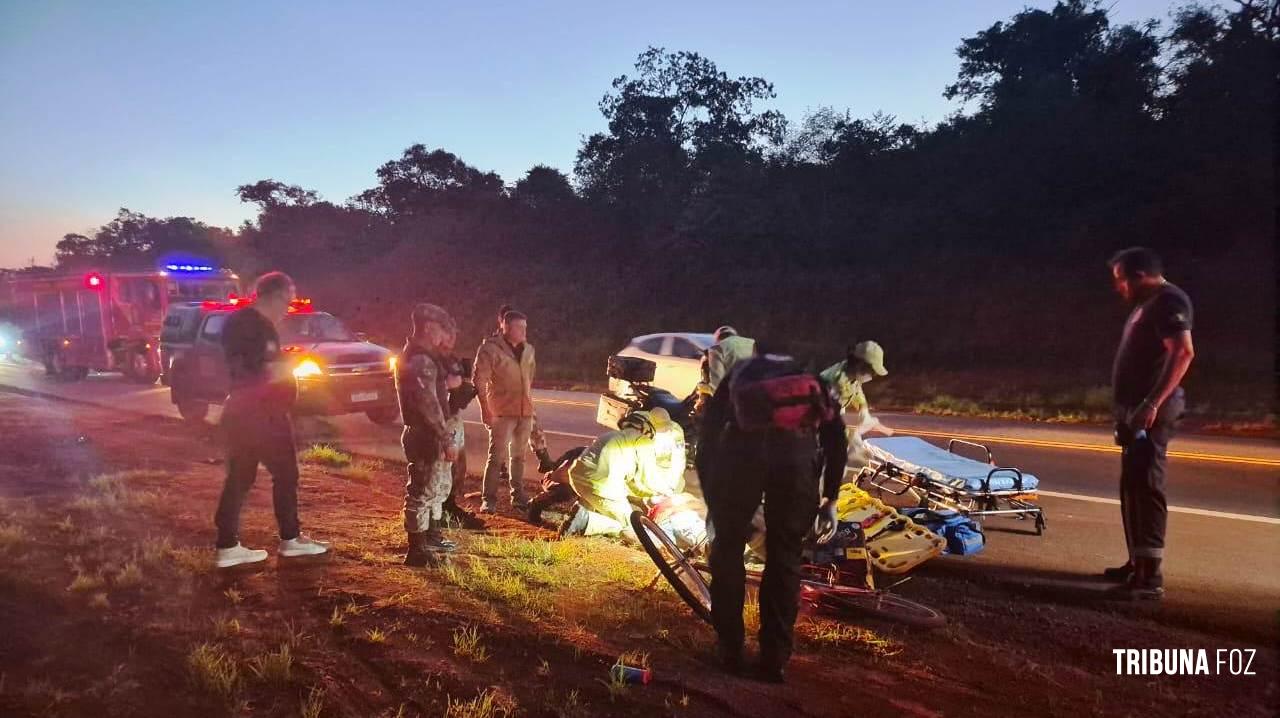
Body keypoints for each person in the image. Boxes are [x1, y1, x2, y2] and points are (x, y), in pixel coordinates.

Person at [699, 349, 847, 682]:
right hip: (797, 467)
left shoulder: (741, 371)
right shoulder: (811, 378)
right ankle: (774, 660)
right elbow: (837, 439)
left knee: (727, 552)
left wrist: (712, 494)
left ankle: (730, 649)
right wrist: (831, 499)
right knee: (785, 560)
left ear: (759, 353)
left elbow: (708, 434)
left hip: (741, 463)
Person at [213, 271, 328, 568]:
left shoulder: (249, 324)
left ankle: (228, 546)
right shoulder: (250, 325)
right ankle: (290, 540)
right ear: (275, 296)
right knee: (285, 474)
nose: (288, 308)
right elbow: (249, 368)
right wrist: (278, 370)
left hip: (247, 413)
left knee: (241, 478)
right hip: (260, 415)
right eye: (288, 300)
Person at [1105, 247, 1194, 600]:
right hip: (1134, 410)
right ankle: (1136, 563)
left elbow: (1183, 352)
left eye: (1122, 280)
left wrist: (1151, 403)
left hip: (1151, 411)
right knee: (1132, 486)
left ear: (1140, 275)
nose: (1119, 288)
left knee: (1147, 485)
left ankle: (1150, 577)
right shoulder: (1149, 304)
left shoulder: (1169, 301)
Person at [396, 303, 462, 566]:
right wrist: (446, 438)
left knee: (437, 487)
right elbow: (428, 405)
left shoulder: (426, 356)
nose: (442, 336)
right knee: (421, 491)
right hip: (425, 434)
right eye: (440, 329)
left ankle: (431, 536)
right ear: (428, 327)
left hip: (432, 432)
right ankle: (417, 549)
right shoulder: (420, 359)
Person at [559, 409, 687, 537]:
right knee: (631, 527)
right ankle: (585, 520)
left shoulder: (617, 435)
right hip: (601, 484)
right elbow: (646, 479)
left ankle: (580, 515)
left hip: (577, 476)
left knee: (598, 503)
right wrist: (655, 496)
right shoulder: (643, 442)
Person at [474, 310, 552, 513]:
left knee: (519, 456)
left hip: (524, 411)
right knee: (496, 457)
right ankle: (488, 500)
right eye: (519, 327)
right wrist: (485, 409)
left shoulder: (529, 350)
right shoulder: (490, 349)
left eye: (525, 327)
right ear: (505, 327)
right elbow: (479, 380)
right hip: (501, 411)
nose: (524, 331)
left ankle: (518, 496)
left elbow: (529, 376)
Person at [819, 341, 894, 471]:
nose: (873, 375)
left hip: (832, 426)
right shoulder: (836, 379)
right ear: (860, 364)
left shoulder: (853, 378)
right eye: (872, 371)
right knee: (828, 467)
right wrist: (854, 446)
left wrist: (877, 425)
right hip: (821, 429)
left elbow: (860, 403)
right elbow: (835, 417)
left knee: (839, 463)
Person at [694, 326, 756, 406]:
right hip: (759, 394)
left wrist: (700, 387)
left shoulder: (717, 349)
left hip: (736, 400)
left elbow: (716, 389)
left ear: (718, 339)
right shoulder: (752, 342)